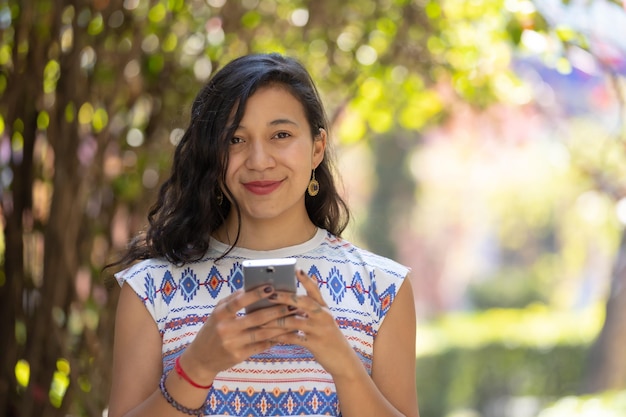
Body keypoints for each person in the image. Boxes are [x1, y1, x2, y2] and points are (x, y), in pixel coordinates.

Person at [107, 53, 419, 417]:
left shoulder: (382, 289)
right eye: (236, 140)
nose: (259, 160)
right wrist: (196, 369)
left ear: (318, 147)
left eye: (281, 135)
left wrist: (345, 366)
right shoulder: (151, 289)